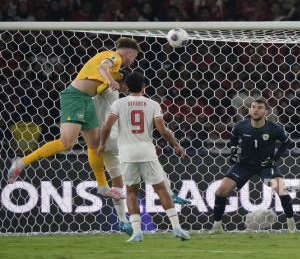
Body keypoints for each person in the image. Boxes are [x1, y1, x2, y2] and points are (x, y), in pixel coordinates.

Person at [8, 37, 141, 199]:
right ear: (129, 52)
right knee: (67, 143)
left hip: (87, 100)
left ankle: (102, 187)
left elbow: (98, 86)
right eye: (134, 56)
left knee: (95, 144)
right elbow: (102, 67)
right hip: (75, 96)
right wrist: (111, 80)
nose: (133, 60)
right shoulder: (114, 57)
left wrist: (114, 79)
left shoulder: (116, 68)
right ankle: (21, 162)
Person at [98, 72, 190, 242]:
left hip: (126, 153)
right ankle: (177, 228)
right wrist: (177, 145)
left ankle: (137, 232)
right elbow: (163, 131)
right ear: (144, 87)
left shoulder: (118, 104)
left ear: (126, 87)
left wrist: (102, 144)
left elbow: (106, 127)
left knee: (131, 191)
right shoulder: (152, 104)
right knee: (161, 189)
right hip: (147, 151)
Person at [211, 98, 295, 233]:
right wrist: (233, 151)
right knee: (221, 191)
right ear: (250, 110)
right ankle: (217, 226)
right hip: (245, 164)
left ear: (266, 112)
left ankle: (291, 225)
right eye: (253, 107)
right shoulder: (240, 126)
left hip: (265, 165)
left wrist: (275, 158)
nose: (255, 110)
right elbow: (233, 139)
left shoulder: (274, 128)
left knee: (282, 190)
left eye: (260, 107)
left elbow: (287, 142)